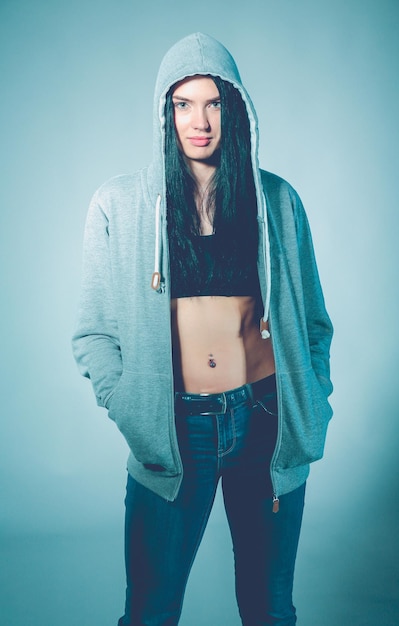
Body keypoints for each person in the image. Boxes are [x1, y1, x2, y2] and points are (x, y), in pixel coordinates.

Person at [72, 32, 333, 626]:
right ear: (165, 113)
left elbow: (314, 321)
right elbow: (93, 333)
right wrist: (131, 407)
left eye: (214, 103)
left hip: (265, 424)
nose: (200, 121)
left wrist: (311, 396)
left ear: (235, 109)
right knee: (151, 611)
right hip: (174, 431)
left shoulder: (278, 201)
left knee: (269, 611)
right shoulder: (118, 205)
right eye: (183, 105)